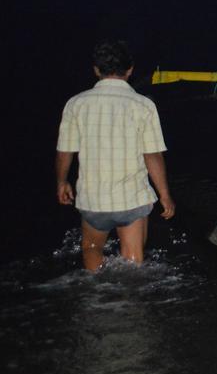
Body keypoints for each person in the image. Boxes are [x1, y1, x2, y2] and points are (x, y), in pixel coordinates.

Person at [55, 40, 176, 271]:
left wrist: (62, 182)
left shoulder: (76, 104)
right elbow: (152, 155)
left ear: (96, 70)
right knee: (133, 264)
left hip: (93, 200)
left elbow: (65, 150)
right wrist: (165, 194)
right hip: (132, 200)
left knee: (91, 250)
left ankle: (94, 300)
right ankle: (130, 305)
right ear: (130, 70)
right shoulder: (143, 106)